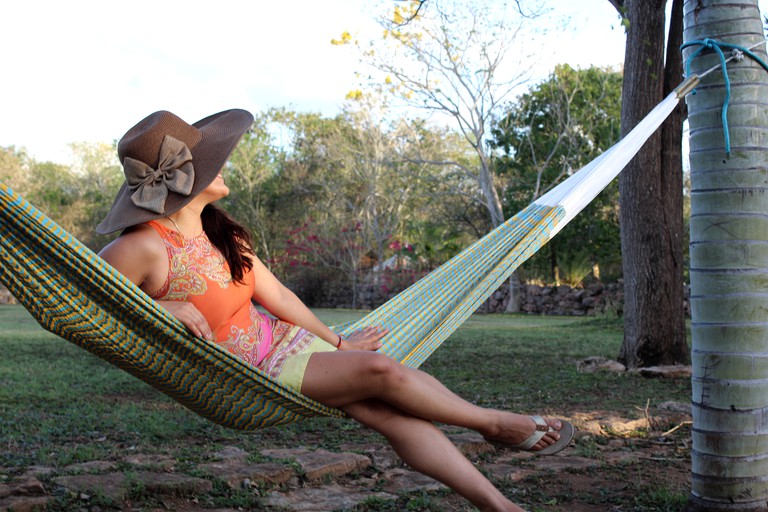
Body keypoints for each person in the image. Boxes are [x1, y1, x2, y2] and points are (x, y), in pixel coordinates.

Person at [97, 109, 574, 512]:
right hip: (243, 375)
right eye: (210, 160)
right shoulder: (141, 247)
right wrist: (161, 306)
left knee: (389, 415)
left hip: (284, 346)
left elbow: (279, 298)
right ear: (183, 180)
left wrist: (338, 342)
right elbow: (87, 303)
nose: (222, 165)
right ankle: (494, 423)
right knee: (380, 370)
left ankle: (501, 507)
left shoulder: (223, 232)